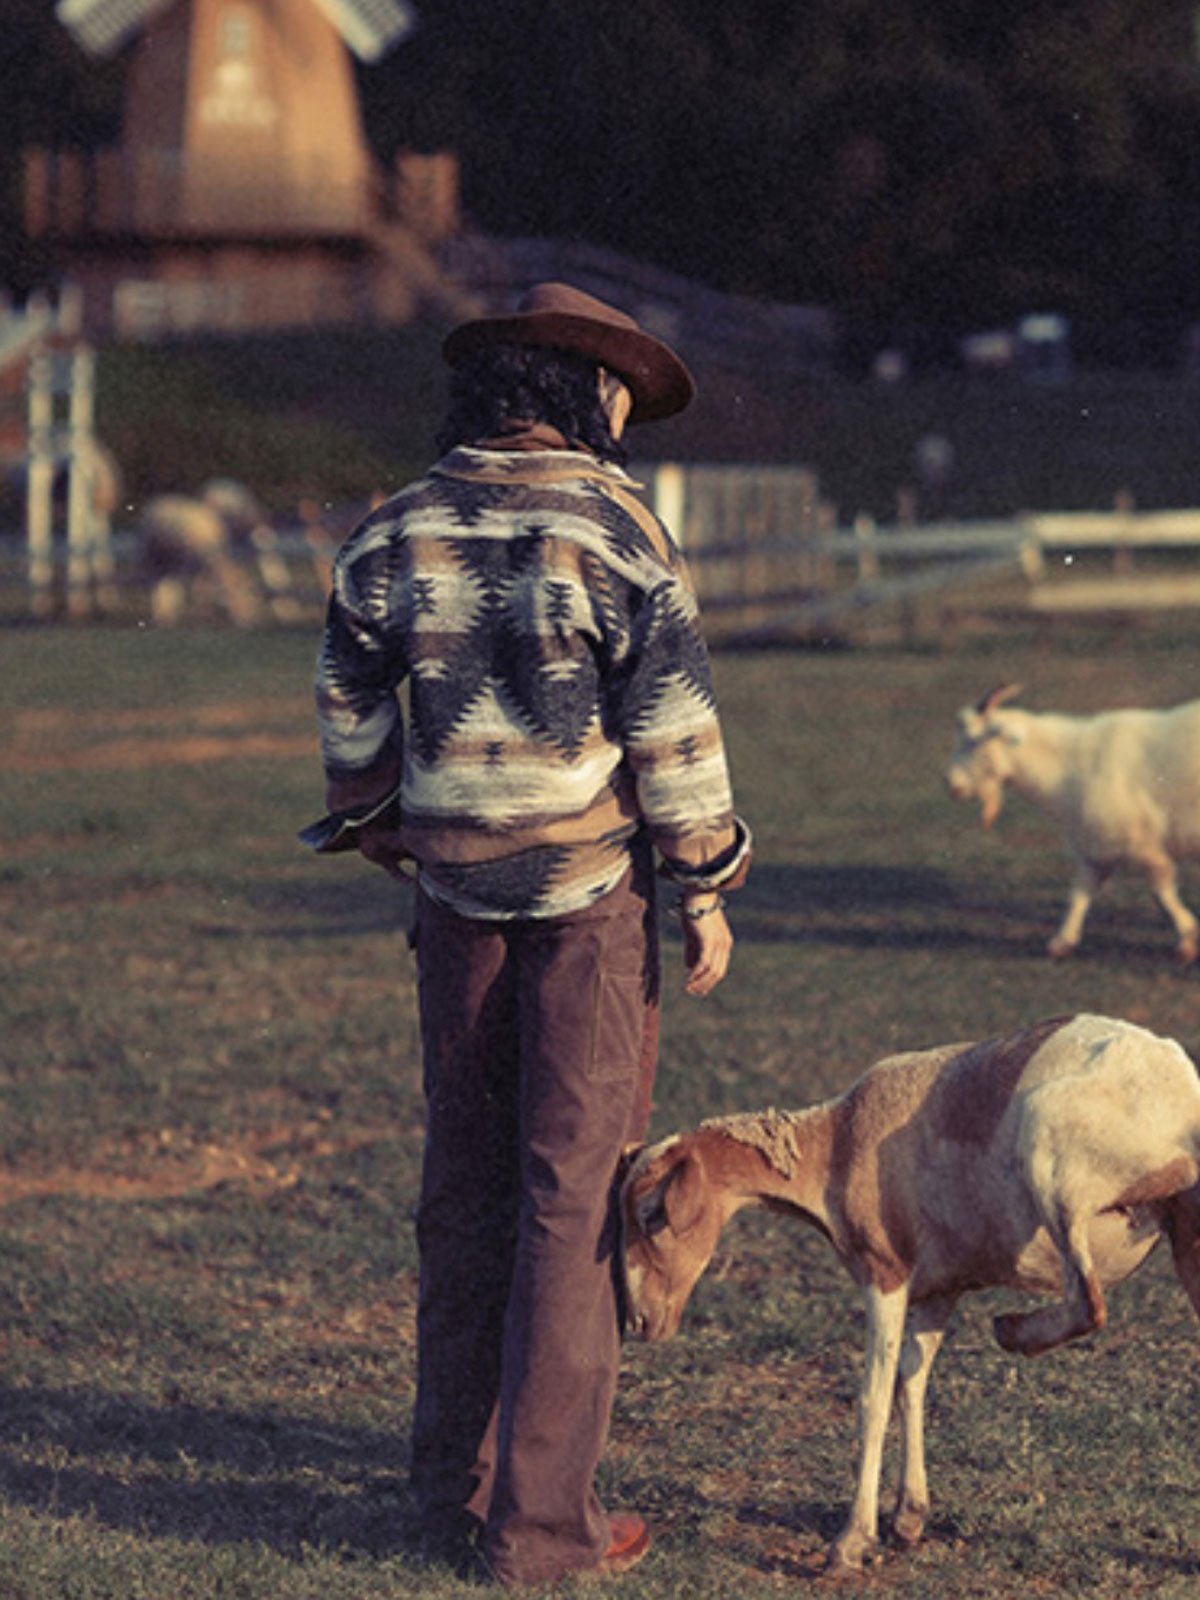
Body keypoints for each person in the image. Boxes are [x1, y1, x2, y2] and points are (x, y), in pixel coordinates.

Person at [303, 281, 751, 1586]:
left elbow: (347, 698)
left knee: (465, 1186)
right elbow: (671, 728)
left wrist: (378, 817)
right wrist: (708, 882)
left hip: (453, 898)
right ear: (577, 388)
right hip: (586, 897)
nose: (624, 415)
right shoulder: (616, 530)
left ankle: (451, 1487)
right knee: (570, 1196)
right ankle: (542, 1529)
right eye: (615, 391)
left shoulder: (396, 524)